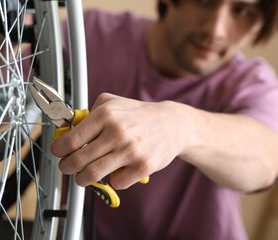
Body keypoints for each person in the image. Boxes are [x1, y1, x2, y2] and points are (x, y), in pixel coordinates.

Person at [49, 0, 278, 239]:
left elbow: (267, 160)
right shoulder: (86, 36)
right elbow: (8, 91)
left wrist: (182, 126)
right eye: (206, 1)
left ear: (258, 22)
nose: (215, 30)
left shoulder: (254, 85)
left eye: (242, 11)